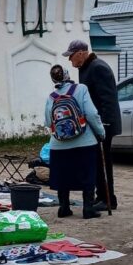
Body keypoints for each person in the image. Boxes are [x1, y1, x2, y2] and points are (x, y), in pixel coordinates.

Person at [64, 39, 122, 211]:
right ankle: (102, 196)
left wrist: (103, 124)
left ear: (81, 53)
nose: (70, 60)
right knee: (96, 162)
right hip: (94, 124)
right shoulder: (87, 68)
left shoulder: (97, 68)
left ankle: (108, 198)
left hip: (103, 125)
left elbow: (108, 99)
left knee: (103, 164)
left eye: (71, 56)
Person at [44, 64, 105, 220]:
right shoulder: (81, 89)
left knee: (63, 175)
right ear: (67, 75)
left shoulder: (51, 97)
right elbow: (91, 113)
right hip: (84, 142)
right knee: (87, 175)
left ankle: (64, 208)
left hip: (58, 145)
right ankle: (88, 209)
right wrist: (101, 132)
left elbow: (47, 121)